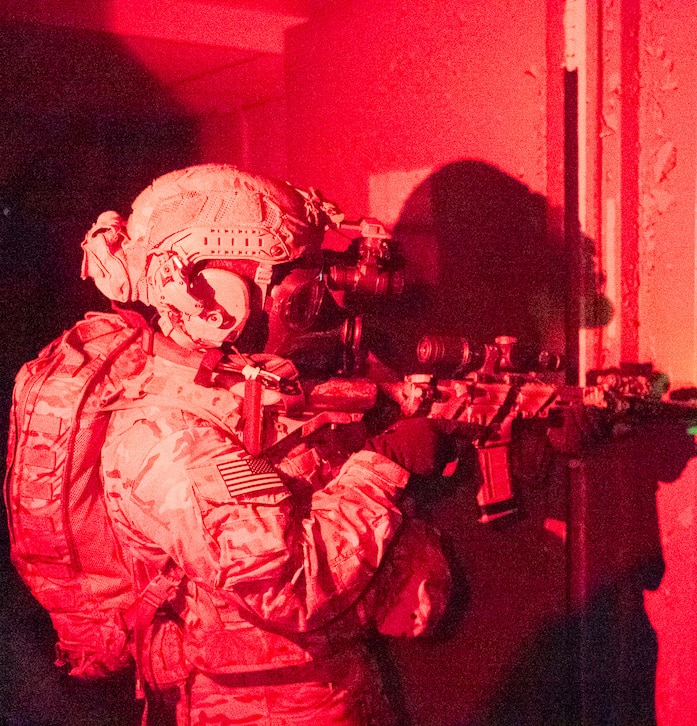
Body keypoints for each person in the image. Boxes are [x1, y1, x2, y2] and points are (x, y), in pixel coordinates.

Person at [66, 164, 453, 724]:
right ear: (214, 296)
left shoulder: (233, 383)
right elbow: (291, 585)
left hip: (332, 691)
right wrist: (384, 464)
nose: (310, 299)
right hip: (255, 709)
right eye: (287, 279)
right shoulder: (167, 437)